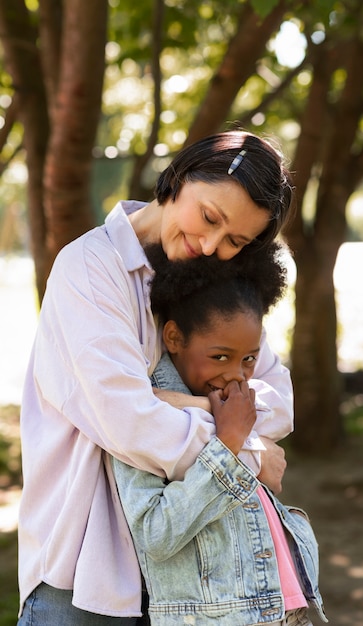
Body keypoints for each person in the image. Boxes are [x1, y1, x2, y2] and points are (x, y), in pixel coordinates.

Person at [17, 130, 295, 625]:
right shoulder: (89, 269)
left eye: (236, 241)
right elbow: (131, 423)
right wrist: (244, 451)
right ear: (181, 177)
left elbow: (276, 399)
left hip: (187, 582)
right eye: (210, 217)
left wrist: (188, 404)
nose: (211, 245)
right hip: (85, 575)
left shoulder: (212, 277)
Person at [111, 246, 327, 626]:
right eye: (221, 357)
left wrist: (207, 409)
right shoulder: (146, 412)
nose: (237, 376)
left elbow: (282, 409)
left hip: (286, 607)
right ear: (174, 337)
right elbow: (156, 533)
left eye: (248, 359)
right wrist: (228, 445)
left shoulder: (226, 403)